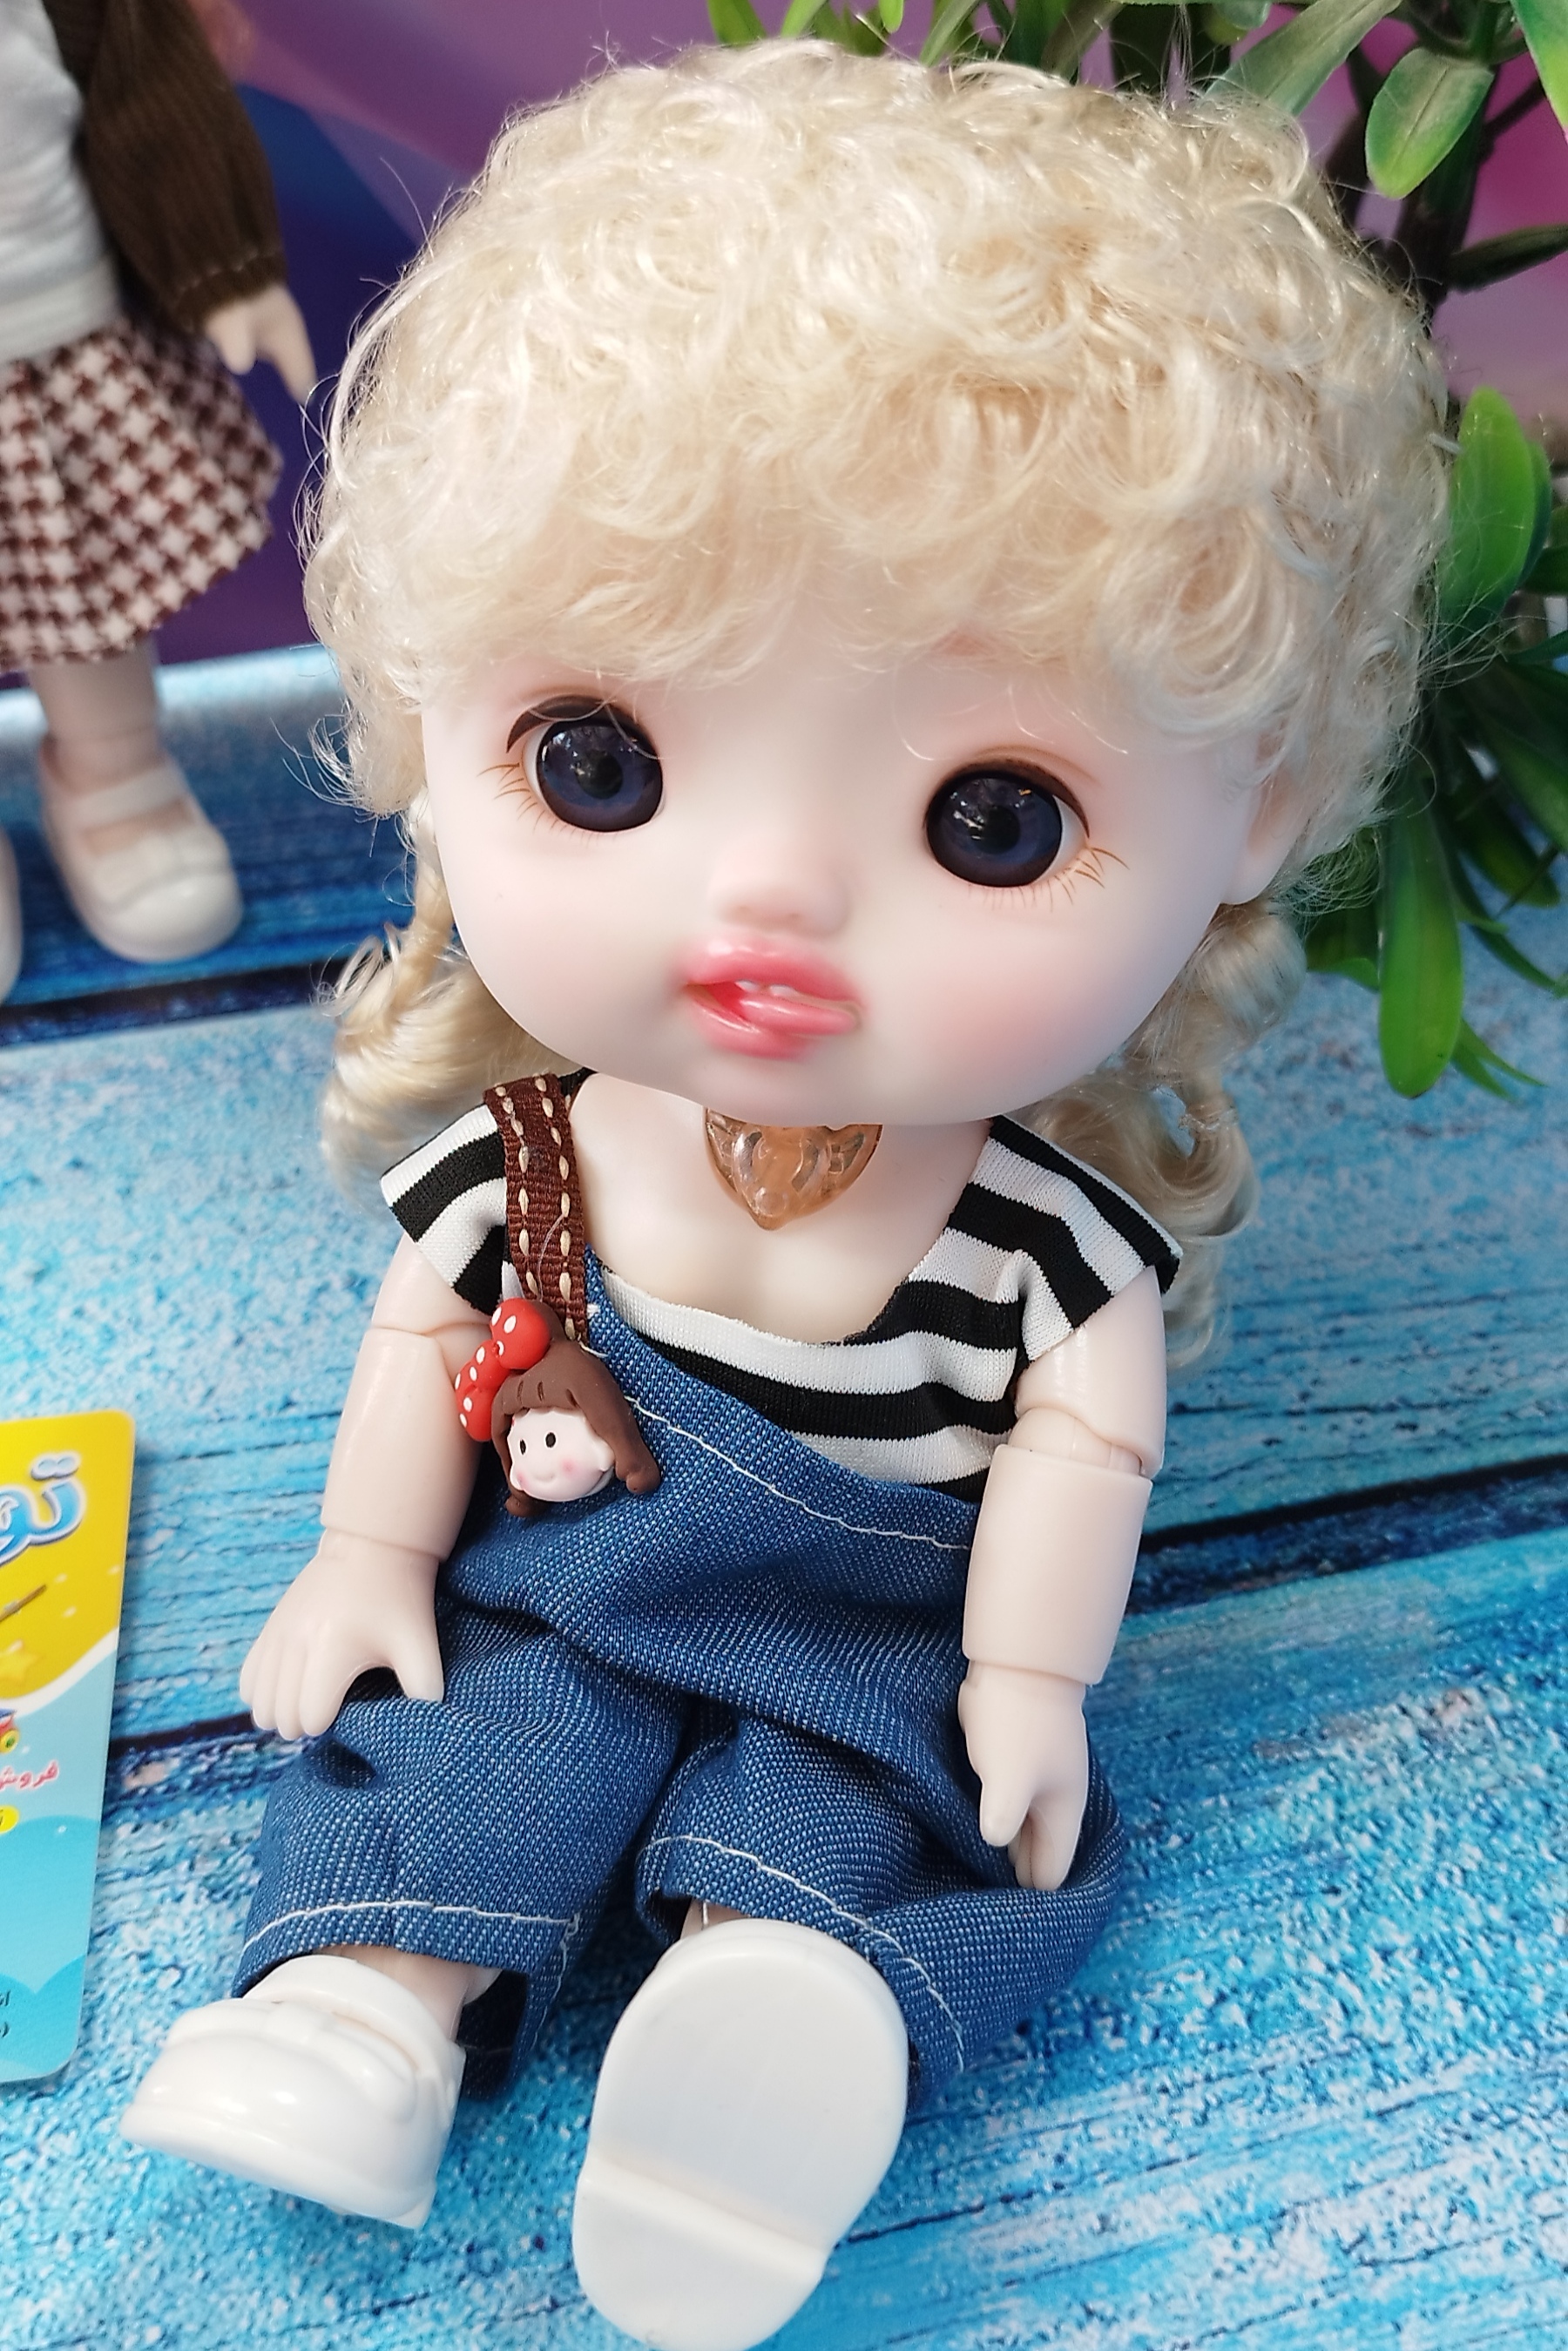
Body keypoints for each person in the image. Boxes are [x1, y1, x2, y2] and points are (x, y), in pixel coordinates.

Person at [122, 44, 1447, 2351]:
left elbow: (1080, 1449)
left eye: (991, 818)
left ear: (1253, 808)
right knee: (467, 1734)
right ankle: (360, 2006)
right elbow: (429, 1334)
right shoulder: (550, 1147)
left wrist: (1027, 1675)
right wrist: (364, 1554)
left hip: (872, 1625)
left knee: (858, 1797)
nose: (766, 904)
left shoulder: (1035, 1244)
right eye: (601, 762)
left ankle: (766, 2037)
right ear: (431, 720)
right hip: (555, 1583)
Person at [0, 0, 314, 1000]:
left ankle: (116, 770)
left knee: (88, 587)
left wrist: (223, 264)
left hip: (46, 325)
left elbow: (144, 81)